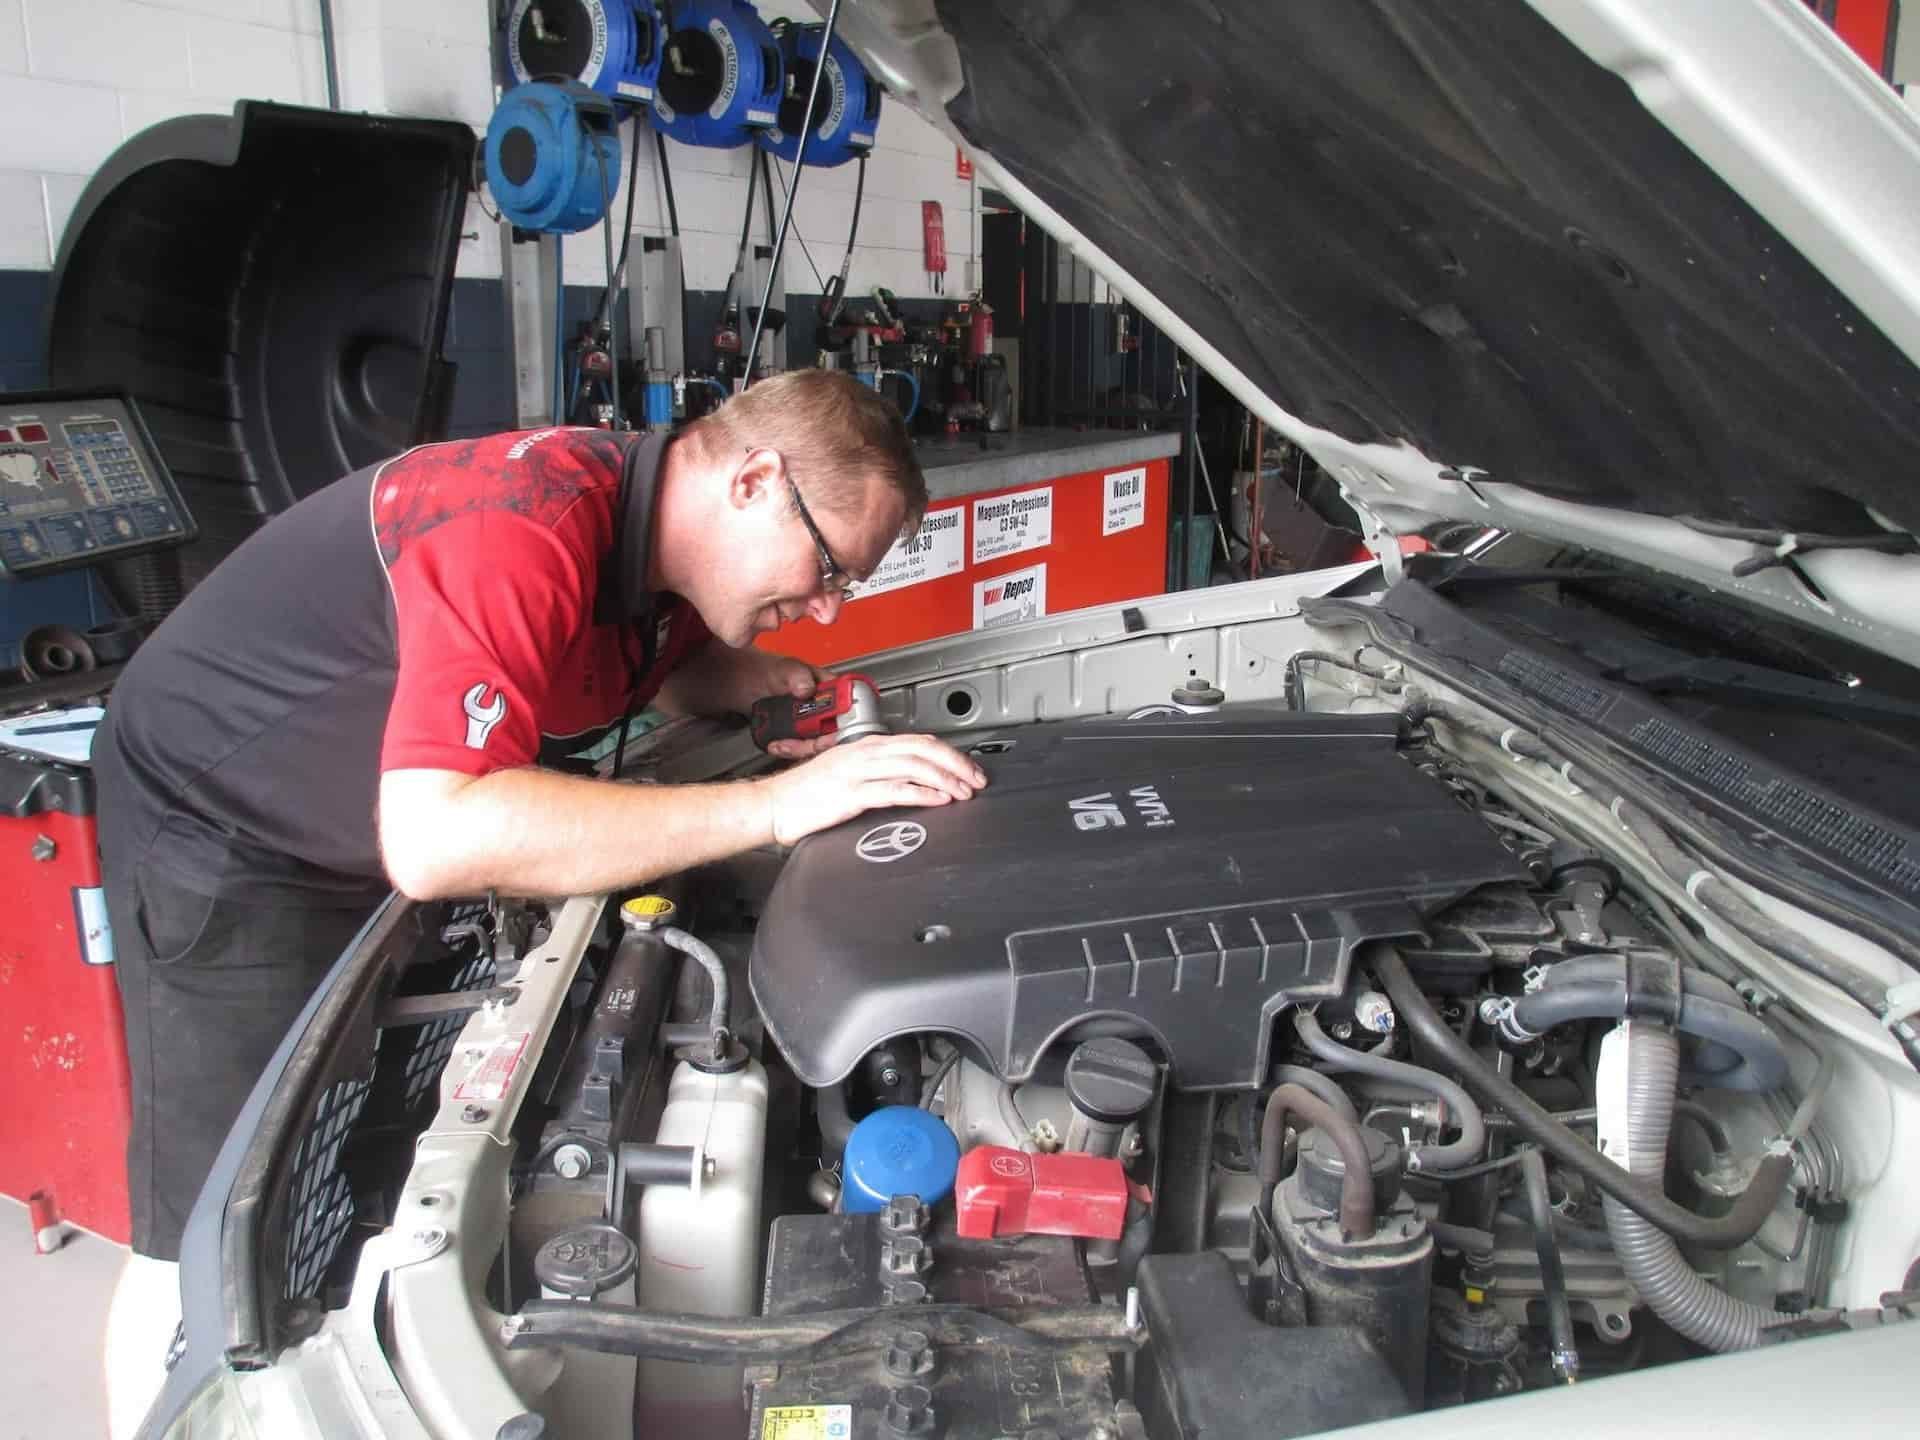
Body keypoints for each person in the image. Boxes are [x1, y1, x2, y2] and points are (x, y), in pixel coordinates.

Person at [91, 368, 987, 1271]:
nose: (829, 609)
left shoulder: (659, 537)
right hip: (226, 827)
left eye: (847, 587)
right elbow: (438, 836)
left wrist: (753, 686)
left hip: (372, 818)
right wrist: (776, 806)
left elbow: (639, 663)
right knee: (234, 1213)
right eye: (827, 567)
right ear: (752, 482)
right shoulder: (519, 527)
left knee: (372, 1128)